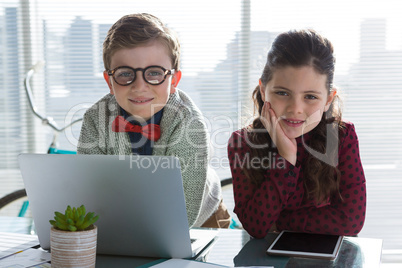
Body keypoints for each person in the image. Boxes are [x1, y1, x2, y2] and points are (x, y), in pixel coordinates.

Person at [78, 13, 230, 228]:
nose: (139, 86)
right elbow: (89, 188)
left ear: (174, 80)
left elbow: (184, 212)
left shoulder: (188, 123)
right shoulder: (96, 118)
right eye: (124, 74)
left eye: (155, 73)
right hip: (131, 215)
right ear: (110, 81)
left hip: (201, 216)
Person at [227, 29, 366, 238]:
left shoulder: (342, 137)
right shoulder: (243, 142)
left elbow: (351, 221)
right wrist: (286, 159)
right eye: (282, 93)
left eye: (310, 96)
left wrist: (279, 221)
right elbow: (256, 226)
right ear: (264, 90)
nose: (295, 108)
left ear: (328, 99)